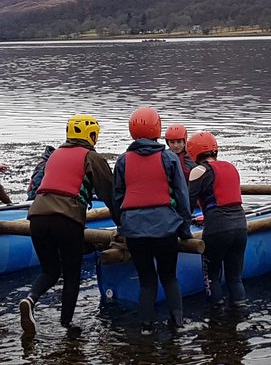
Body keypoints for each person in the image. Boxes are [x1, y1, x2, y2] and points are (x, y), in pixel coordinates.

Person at [20, 114, 115, 335]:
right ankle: (66, 324)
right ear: (91, 135)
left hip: (37, 217)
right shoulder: (92, 157)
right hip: (66, 219)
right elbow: (109, 194)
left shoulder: (54, 156)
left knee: (50, 271)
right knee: (72, 274)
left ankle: (30, 299)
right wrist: (123, 224)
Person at [114, 106, 192, 334]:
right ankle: (177, 323)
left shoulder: (123, 160)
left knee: (146, 280)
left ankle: (146, 326)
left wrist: (122, 226)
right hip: (166, 229)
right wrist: (184, 228)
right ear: (157, 129)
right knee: (169, 277)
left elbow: (118, 197)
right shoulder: (168, 157)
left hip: (135, 232)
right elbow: (181, 195)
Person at [186, 131, 248, 307]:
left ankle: (216, 320)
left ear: (193, 153)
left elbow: (188, 205)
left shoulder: (198, 171)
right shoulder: (231, 167)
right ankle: (239, 314)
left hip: (218, 229)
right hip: (241, 226)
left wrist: (182, 228)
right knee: (235, 278)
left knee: (212, 276)